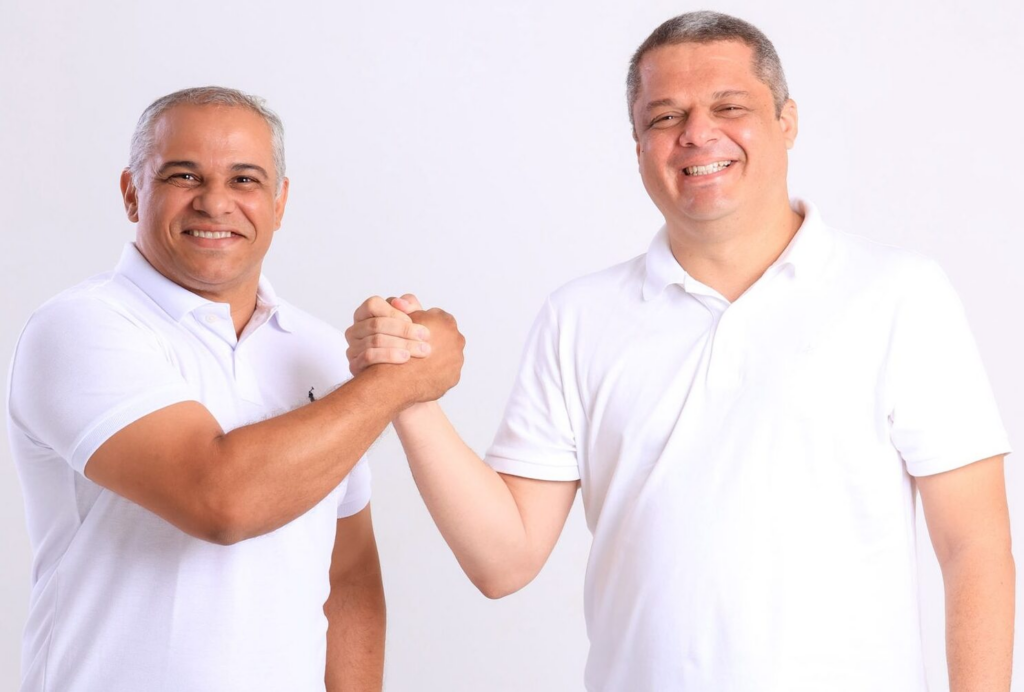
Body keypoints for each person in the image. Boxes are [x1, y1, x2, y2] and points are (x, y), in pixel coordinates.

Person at [344, 11, 1014, 691]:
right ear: (638, 145)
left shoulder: (898, 294)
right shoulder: (579, 317)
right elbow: (504, 561)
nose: (697, 133)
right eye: (665, 117)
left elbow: (974, 547)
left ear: (787, 121)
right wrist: (407, 395)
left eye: (730, 106)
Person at [6, 86, 465, 692]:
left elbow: (347, 573)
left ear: (280, 201)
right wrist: (399, 380)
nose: (215, 202)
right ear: (131, 192)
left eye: (244, 179)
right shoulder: (79, 327)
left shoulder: (322, 350)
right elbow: (219, 500)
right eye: (184, 175)